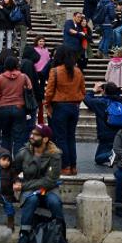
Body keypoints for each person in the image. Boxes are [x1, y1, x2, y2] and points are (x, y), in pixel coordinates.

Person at [12, 125, 64, 243]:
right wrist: (16, 181)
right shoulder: (24, 152)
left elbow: (50, 181)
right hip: (29, 190)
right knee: (31, 199)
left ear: (45, 139)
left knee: (55, 202)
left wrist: (23, 186)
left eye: (35, 134)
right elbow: (13, 170)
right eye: (31, 133)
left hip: (49, 189)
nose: (31, 136)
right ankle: (23, 234)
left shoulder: (55, 155)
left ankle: (59, 234)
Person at [42, 47, 84, 175]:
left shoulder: (55, 71)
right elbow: (83, 91)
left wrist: (47, 104)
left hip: (59, 106)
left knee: (61, 137)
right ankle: (73, 166)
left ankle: (65, 166)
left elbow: (49, 91)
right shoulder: (78, 71)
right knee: (71, 137)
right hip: (74, 106)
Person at [0, 56, 33, 158]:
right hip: (19, 107)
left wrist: (0, 103)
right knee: (18, 137)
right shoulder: (23, 77)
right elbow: (30, 90)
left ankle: (6, 159)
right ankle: (17, 162)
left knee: (5, 135)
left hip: (3, 108)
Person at [82, 81, 122, 166]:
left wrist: (94, 90)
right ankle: (118, 154)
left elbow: (86, 99)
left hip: (105, 135)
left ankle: (116, 155)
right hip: (119, 134)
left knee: (98, 158)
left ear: (104, 91)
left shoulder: (101, 102)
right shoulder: (119, 102)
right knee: (109, 150)